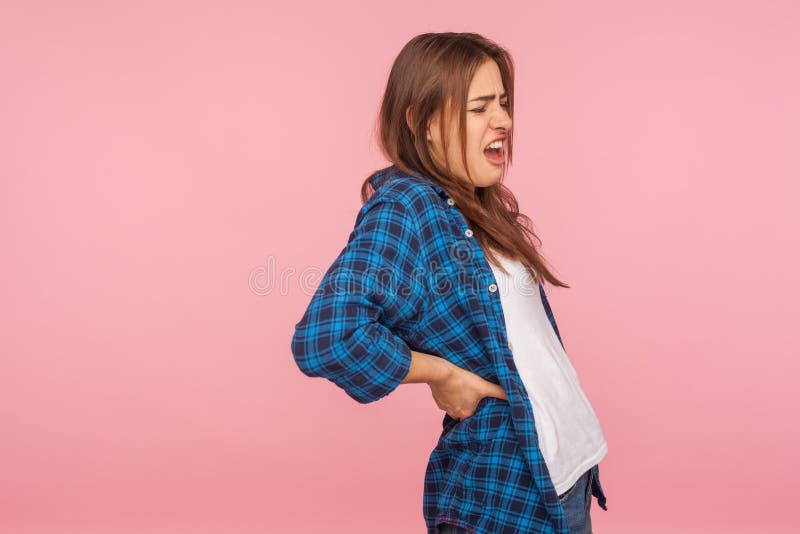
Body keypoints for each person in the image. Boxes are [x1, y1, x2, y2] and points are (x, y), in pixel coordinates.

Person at [291, 32, 608, 534]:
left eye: (503, 103)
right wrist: (442, 375)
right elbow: (326, 337)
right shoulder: (406, 208)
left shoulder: (475, 206)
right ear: (424, 122)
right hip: (503, 498)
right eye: (479, 107)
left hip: (564, 483)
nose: (502, 119)